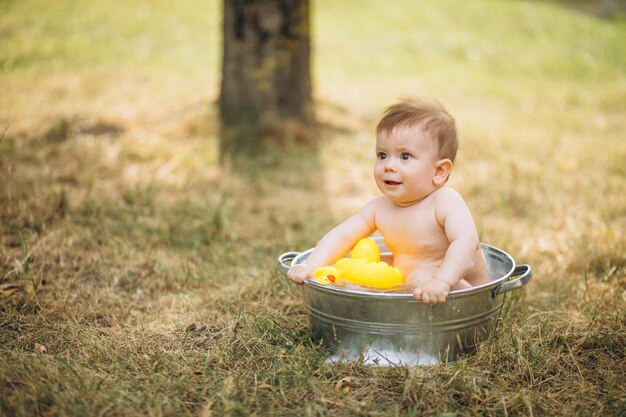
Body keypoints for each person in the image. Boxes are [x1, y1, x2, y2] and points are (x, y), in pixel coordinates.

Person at [287, 97, 490, 304]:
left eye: (405, 156)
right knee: (355, 266)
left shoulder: (445, 201)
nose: (389, 166)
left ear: (439, 171)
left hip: (458, 282)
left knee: (419, 277)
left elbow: (467, 244)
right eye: (382, 155)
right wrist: (312, 265)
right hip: (412, 278)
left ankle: (469, 303)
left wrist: (442, 281)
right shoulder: (379, 208)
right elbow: (343, 235)